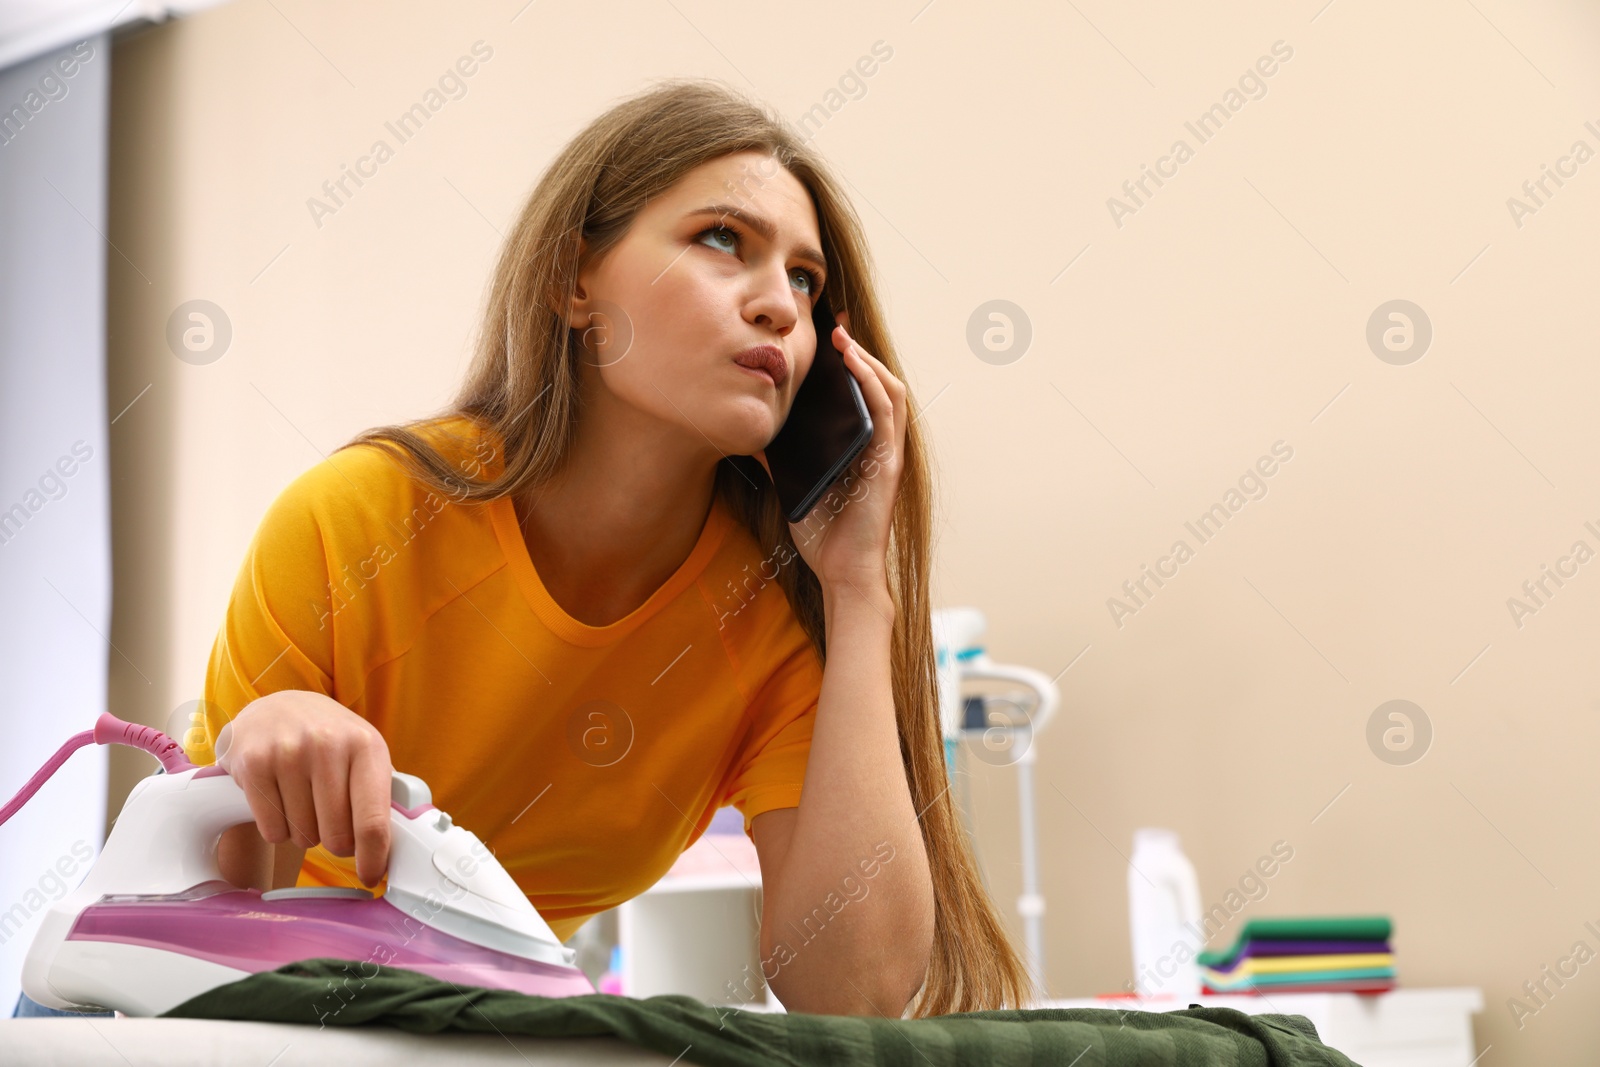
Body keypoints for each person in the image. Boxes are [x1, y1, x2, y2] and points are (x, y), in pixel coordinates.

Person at [185, 78, 1032, 1019]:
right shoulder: (359, 520)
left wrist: (859, 584)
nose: (781, 308)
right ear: (572, 281)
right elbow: (202, 915)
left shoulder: (767, 629)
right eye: (723, 239)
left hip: (460, 1024)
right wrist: (261, 741)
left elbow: (855, 991)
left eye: (804, 277)